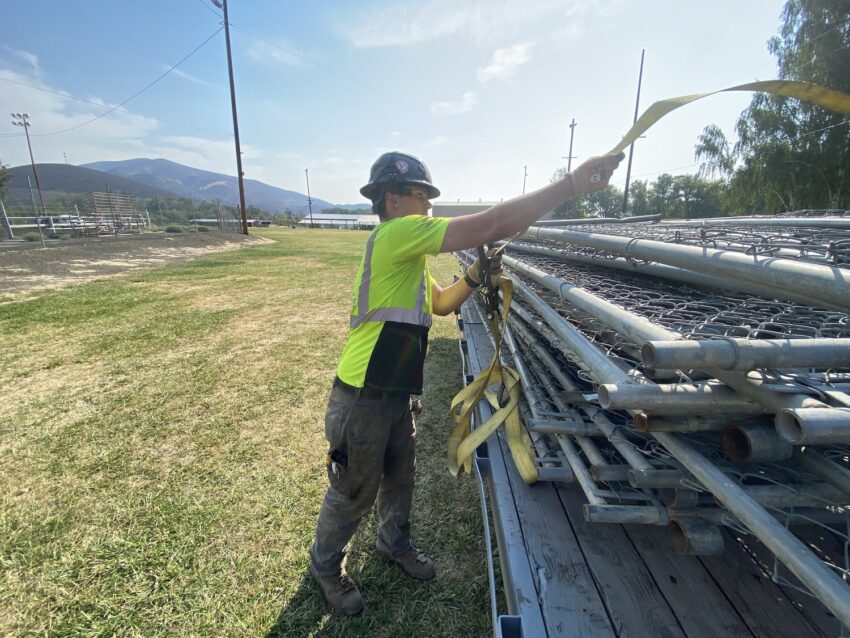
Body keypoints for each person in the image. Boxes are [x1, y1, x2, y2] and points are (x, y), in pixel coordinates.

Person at [309, 150, 624, 615]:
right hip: (363, 397)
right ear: (392, 200)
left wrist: (475, 277)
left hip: (394, 392)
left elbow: (439, 304)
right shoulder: (396, 233)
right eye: (422, 196)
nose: (430, 207)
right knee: (354, 488)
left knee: (399, 479)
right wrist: (570, 186)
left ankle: (392, 544)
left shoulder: (406, 254)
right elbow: (488, 224)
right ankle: (324, 565)